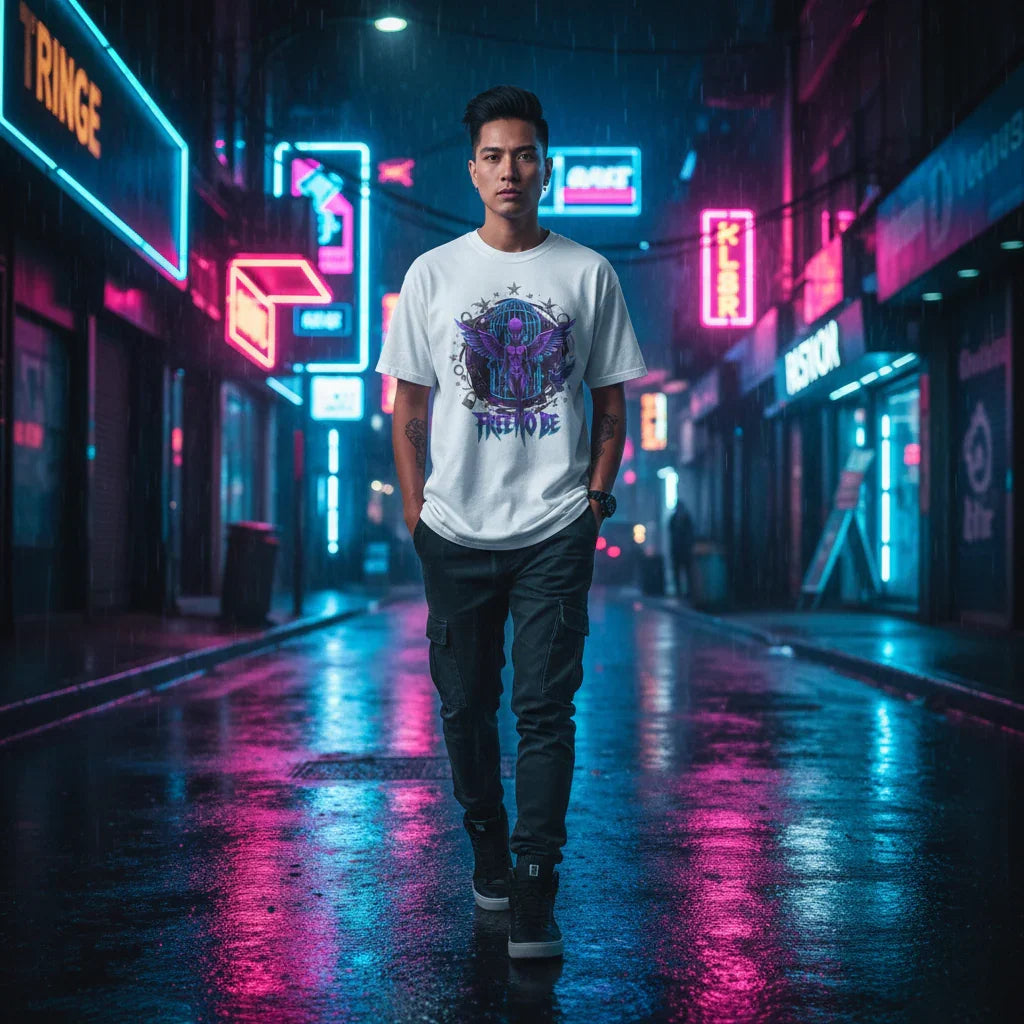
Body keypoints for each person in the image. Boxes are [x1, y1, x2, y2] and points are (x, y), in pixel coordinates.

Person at [376, 85, 646, 960]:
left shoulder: (586, 273)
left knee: (544, 709)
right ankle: (487, 842)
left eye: (524, 154)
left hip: (553, 530)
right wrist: (418, 515)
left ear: (546, 166)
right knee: (463, 708)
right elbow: (408, 403)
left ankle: (535, 881)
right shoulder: (434, 275)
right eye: (493, 155)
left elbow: (612, 403)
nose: (509, 170)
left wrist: (593, 502)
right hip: (453, 534)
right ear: (472, 169)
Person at [669, 500, 694, 600]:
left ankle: (688, 592)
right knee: (678, 572)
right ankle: (680, 592)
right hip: (677, 550)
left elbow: (689, 534)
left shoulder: (685, 519)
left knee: (687, 572)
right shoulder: (674, 519)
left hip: (685, 550)